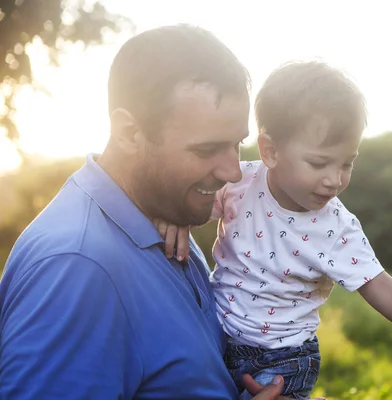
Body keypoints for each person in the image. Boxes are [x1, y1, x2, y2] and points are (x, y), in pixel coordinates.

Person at [0, 24, 324, 400]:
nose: (233, 172)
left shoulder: (158, 219)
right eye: (206, 150)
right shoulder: (79, 268)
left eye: (236, 144)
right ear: (129, 133)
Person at [162, 61, 392, 400]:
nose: (335, 179)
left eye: (347, 163)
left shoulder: (336, 228)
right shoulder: (238, 184)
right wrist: (171, 217)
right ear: (270, 150)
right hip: (218, 337)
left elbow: (382, 286)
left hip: (284, 360)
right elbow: (191, 207)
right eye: (318, 163)